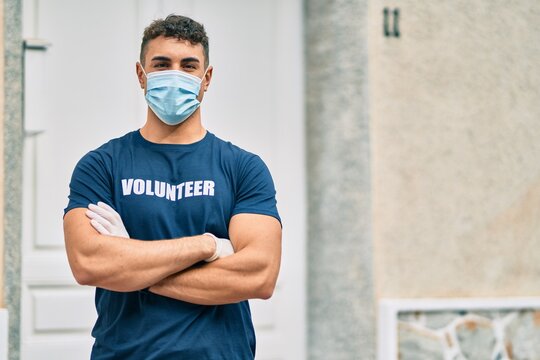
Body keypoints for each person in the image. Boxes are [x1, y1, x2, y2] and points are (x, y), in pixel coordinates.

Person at [63, 14, 282, 359]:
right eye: (162, 64)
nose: (175, 75)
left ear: (206, 78)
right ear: (141, 74)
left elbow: (258, 275)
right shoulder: (102, 165)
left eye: (189, 66)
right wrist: (207, 245)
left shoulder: (243, 168)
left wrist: (133, 262)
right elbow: (90, 264)